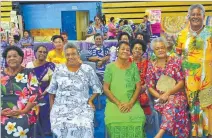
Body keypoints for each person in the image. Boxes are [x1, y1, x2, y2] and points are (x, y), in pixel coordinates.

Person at [47, 43, 102, 138]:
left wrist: (90, 100)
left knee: (85, 126)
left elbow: (97, 88)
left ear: (78, 55)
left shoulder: (87, 69)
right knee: (60, 126)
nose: (70, 57)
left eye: (73, 54)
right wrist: (52, 108)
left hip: (82, 105)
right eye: (67, 54)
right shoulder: (59, 69)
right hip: (61, 106)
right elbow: (52, 91)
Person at [175, 4, 212, 137]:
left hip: (208, 77)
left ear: (203, 16)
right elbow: (177, 54)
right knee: (194, 105)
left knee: (208, 106)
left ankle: (208, 133)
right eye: (193, 14)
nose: (196, 17)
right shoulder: (182, 34)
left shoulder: (210, 32)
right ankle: (196, 133)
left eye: (198, 14)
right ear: (189, 16)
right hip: (190, 79)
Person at [146, 37, 190, 138]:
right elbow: (150, 86)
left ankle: (160, 133)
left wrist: (168, 93)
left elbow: (181, 82)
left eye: (162, 47)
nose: (160, 50)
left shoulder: (175, 61)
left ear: (166, 48)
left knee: (173, 103)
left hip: (178, 95)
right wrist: (160, 96)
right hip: (161, 99)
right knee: (172, 106)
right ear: (154, 51)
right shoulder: (151, 66)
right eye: (157, 49)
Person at [103, 41, 146, 138]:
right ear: (117, 51)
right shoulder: (110, 67)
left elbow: (138, 87)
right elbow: (105, 88)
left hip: (132, 102)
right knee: (113, 120)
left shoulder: (133, 67)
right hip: (114, 103)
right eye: (123, 49)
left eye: (128, 50)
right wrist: (118, 103)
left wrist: (130, 103)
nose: (125, 51)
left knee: (139, 118)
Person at [1, 46, 43, 138]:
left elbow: (35, 95)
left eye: (15, 56)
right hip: (2, 113)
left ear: (21, 58)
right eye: (9, 56)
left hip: (24, 111)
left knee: (22, 124)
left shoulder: (29, 72)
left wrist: (23, 111)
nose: (12, 58)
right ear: (5, 59)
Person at [26, 45, 55, 136]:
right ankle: (33, 129)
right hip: (32, 92)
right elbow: (27, 81)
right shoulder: (29, 65)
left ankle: (46, 129)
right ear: (35, 52)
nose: (42, 53)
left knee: (45, 104)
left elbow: (52, 84)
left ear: (47, 54)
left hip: (45, 92)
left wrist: (43, 92)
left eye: (44, 52)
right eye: (40, 51)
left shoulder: (50, 65)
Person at [129, 39, 151, 115]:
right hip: (129, 89)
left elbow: (149, 79)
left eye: (140, 49)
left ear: (143, 52)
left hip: (143, 90)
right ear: (131, 50)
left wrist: (144, 87)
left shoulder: (147, 63)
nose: (137, 50)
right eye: (136, 48)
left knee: (143, 98)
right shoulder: (125, 61)